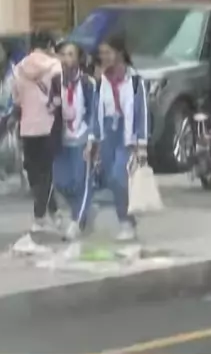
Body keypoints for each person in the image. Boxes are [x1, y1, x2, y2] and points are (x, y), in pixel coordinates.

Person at [85, 35, 148, 242]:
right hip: (107, 134)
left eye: (108, 52)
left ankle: (127, 222)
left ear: (119, 53)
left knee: (118, 177)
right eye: (101, 53)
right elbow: (96, 111)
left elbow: (142, 112)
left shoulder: (135, 81)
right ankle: (122, 218)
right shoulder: (101, 81)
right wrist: (92, 139)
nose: (103, 57)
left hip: (126, 134)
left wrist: (141, 144)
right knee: (107, 180)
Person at [12, 31, 63, 232]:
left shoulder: (18, 68)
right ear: (49, 45)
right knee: (46, 173)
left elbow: (16, 99)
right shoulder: (56, 66)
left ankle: (53, 212)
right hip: (50, 125)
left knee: (34, 173)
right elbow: (61, 96)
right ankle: (40, 216)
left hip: (27, 126)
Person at [52, 40, 96, 241]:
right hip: (60, 137)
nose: (66, 59)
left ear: (78, 59)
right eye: (63, 54)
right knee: (61, 182)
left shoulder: (87, 83)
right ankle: (82, 211)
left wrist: (91, 138)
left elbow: (94, 111)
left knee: (81, 182)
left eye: (70, 55)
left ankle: (77, 221)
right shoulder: (54, 82)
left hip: (81, 137)